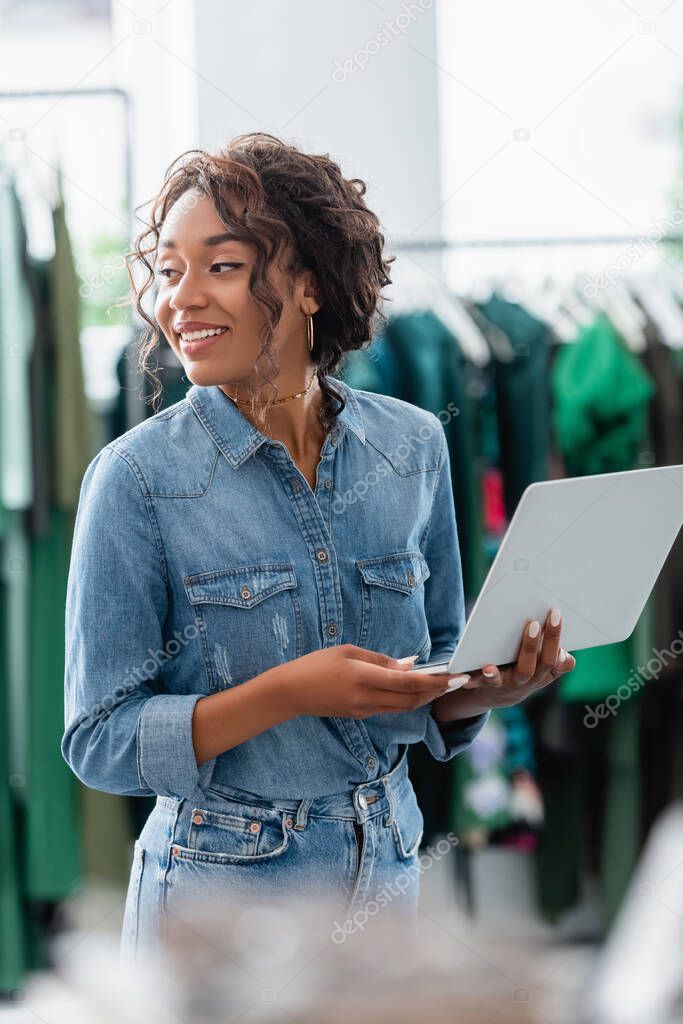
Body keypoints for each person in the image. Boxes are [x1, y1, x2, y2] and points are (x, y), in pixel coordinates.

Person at [61, 132, 576, 964]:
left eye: (220, 266)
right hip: (219, 896)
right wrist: (288, 693)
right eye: (167, 270)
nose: (177, 301)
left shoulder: (411, 445)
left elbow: (435, 667)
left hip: (388, 864)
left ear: (306, 285)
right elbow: (98, 740)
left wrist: (491, 686)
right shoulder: (136, 479)